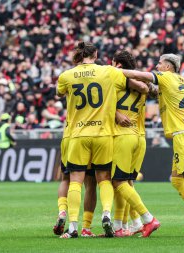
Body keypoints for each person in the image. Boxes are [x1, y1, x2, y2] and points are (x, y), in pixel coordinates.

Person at [56, 42, 148, 238]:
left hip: (78, 134)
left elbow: (60, 92)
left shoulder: (66, 76)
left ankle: (72, 226)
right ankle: (107, 215)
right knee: (104, 179)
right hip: (103, 134)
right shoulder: (107, 71)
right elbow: (131, 77)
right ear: (96, 54)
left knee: (75, 181)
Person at [121, 53, 184, 238]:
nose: (157, 65)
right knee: (176, 180)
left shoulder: (168, 77)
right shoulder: (178, 81)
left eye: (160, 63)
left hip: (183, 135)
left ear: (168, 67)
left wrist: (115, 71)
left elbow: (143, 75)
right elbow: (154, 90)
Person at [111, 50, 160, 238]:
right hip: (140, 136)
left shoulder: (115, 80)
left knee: (119, 182)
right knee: (128, 183)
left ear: (119, 65)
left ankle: (147, 219)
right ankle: (132, 224)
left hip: (124, 135)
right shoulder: (143, 85)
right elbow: (150, 90)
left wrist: (115, 114)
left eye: (113, 63)